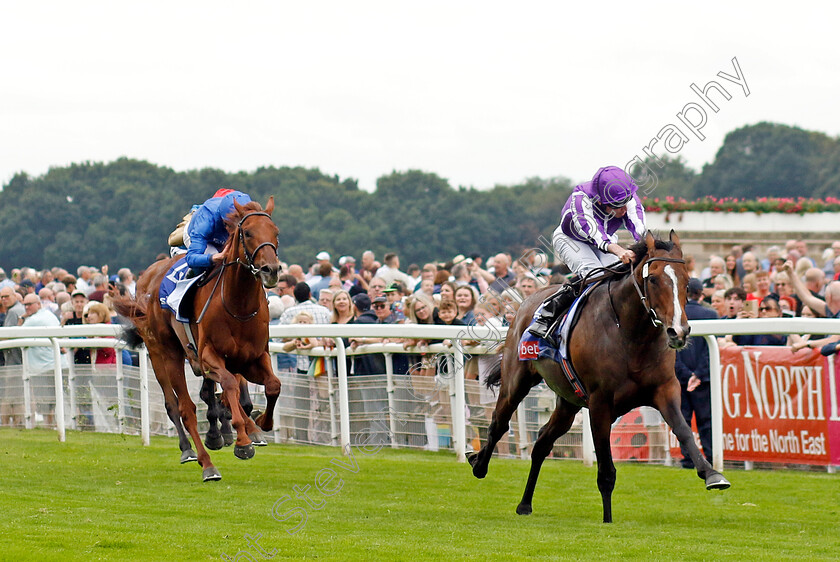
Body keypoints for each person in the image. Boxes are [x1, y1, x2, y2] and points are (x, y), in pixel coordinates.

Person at [530, 165, 646, 343]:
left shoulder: (625, 195)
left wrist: (646, 247)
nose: (623, 209)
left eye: (626, 203)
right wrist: (620, 250)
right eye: (617, 206)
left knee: (619, 275)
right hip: (572, 239)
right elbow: (595, 233)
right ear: (600, 201)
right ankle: (548, 312)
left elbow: (639, 228)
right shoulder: (580, 200)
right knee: (596, 274)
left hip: (606, 239)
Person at [674, 279, 718, 468]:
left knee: (682, 419)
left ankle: (688, 457)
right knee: (706, 420)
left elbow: (671, 349)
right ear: (701, 294)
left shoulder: (676, 314)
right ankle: (710, 456)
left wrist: (686, 374)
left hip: (681, 377)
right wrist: (699, 374)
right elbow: (712, 348)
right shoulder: (711, 314)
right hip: (704, 378)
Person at [184, 188, 253, 275]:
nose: (234, 233)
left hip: (219, 237)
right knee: (215, 264)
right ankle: (193, 276)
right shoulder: (206, 221)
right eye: (231, 226)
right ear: (223, 221)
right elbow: (191, 258)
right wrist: (213, 258)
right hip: (202, 238)